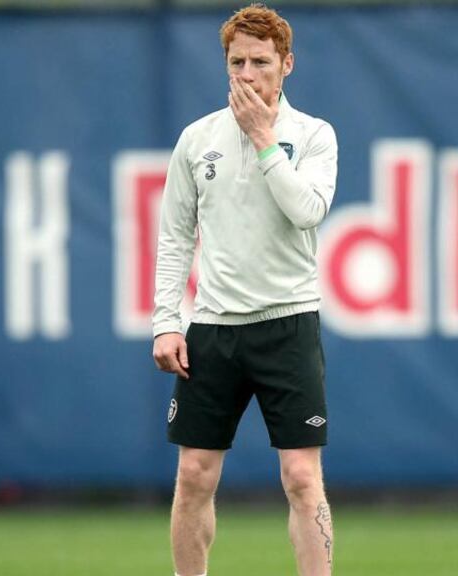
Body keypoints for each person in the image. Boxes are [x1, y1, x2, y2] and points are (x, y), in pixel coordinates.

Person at [151, 4, 338, 576]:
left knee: (302, 477)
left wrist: (263, 140)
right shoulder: (197, 139)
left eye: (261, 61)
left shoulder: (312, 135)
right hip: (214, 327)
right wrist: (166, 319)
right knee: (194, 474)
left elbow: (307, 211)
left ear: (287, 64)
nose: (248, 74)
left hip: (289, 322)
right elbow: (175, 235)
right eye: (237, 62)